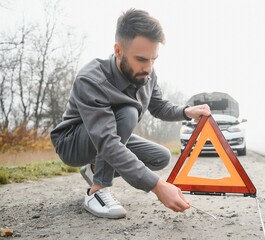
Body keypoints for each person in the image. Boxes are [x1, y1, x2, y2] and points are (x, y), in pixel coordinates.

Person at [50, 8, 211, 219]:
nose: (149, 68)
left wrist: (186, 112)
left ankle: (94, 168)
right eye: (142, 59)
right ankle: (97, 190)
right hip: (72, 142)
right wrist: (158, 186)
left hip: (107, 136)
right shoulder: (91, 79)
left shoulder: (147, 75)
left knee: (160, 157)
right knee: (127, 112)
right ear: (118, 51)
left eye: (154, 59)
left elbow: (159, 106)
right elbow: (107, 142)